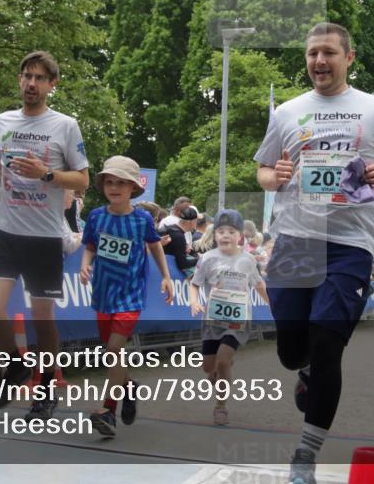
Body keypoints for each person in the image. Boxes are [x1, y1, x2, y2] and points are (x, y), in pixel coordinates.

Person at [254, 22, 374, 484]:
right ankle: (302, 369)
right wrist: (275, 175)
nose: (318, 61)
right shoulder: (287, 113)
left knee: (327, 343)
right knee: (289, 350)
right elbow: (263, 170)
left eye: (328, 53)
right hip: (295, 239)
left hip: (349, 244)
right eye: (311, 54)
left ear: (349, 58)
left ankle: (306, 452)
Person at [0, 51, 90, 419]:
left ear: (52, 85)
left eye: (40, 78)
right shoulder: (3, 120)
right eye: (26, 76)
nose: (31, 83)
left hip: (43, 237)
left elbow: (84, 179)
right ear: (19, 80)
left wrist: (47, 174)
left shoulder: (65, 125)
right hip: (6, 231)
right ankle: (15, 365)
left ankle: (44, 387)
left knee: (42, 320)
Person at [79, 156, 174, 436]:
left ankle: (109, 410)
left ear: (133, 188)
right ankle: (128, 386)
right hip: (103, 294)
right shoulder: (96, 216)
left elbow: (155, 246)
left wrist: (167, 276)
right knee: (113, 353)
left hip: (130, 296)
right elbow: (90, 246)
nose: (114, 187)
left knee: (112, 351)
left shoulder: (142, 218)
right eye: (109, 182)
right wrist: (85, 263)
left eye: (121, 182)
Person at [188, 208, 269, 425]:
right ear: (214, 235)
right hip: (213, 320)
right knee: (208, 367)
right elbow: (194, 284)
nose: (225, 235)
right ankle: (217, 375)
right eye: (221, 231)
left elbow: (259, 285)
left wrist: (273, 304)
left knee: (224, 360)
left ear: (240, 236)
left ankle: (220, 406)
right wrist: (194, 300)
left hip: (238, 320)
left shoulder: (248, 260)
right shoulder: (207, 259)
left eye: (231, 231)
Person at [161, 206, 199, 278]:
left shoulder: (168, 228)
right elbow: (182, 264)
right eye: (196, 221)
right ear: (191, 222)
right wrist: (198, 260)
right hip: (169, 276)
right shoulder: (179, 236)